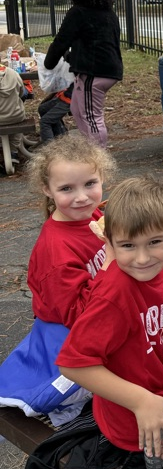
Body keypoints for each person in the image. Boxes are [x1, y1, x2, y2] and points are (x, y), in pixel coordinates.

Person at [22, 176, 163, 469]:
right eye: (127, 246)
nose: (142, 259)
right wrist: (142, 401)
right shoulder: (115, 294)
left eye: (155, 242)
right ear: (109, 243)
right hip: (132, 417)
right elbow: (74, 365)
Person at [0, 136, 116, 435]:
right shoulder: (56, 252)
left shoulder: (95, 216)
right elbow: (76, 314)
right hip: (69, 336)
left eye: (90, 183)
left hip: (102, 314)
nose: (82, 197)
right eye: (66, 189)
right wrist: (110, 264)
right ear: (47, 190)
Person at [43, 0, 123, 146]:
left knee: (91, 116)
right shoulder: (108, 13)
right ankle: (89, 150)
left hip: (94, 73)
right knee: (77, 109)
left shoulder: (78, 13)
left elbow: (61, 41)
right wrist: (72, 57)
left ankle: (98, 159)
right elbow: (97, 43)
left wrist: (49, 63)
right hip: (106, 70)